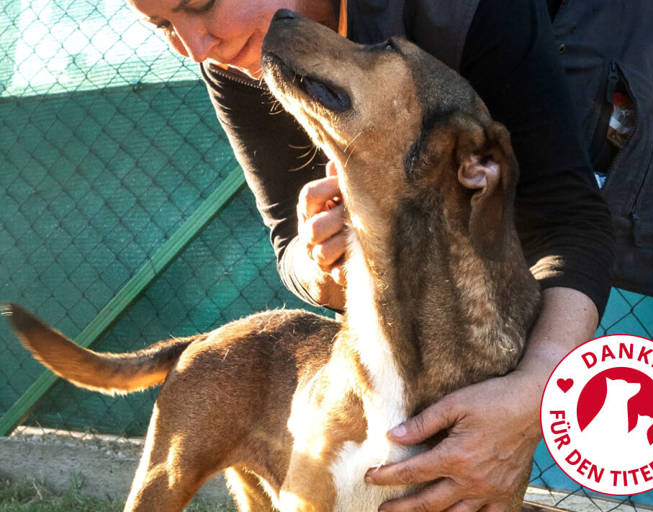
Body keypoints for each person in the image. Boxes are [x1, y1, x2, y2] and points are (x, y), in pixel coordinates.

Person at [128, 0, 615, 509]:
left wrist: (536, 392)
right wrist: (320, 259)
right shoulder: (240, 60)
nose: (194, 48)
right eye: (162, 24)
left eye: (201, 3)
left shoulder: (463, 15)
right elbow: (287, 241)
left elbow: (569, 217)